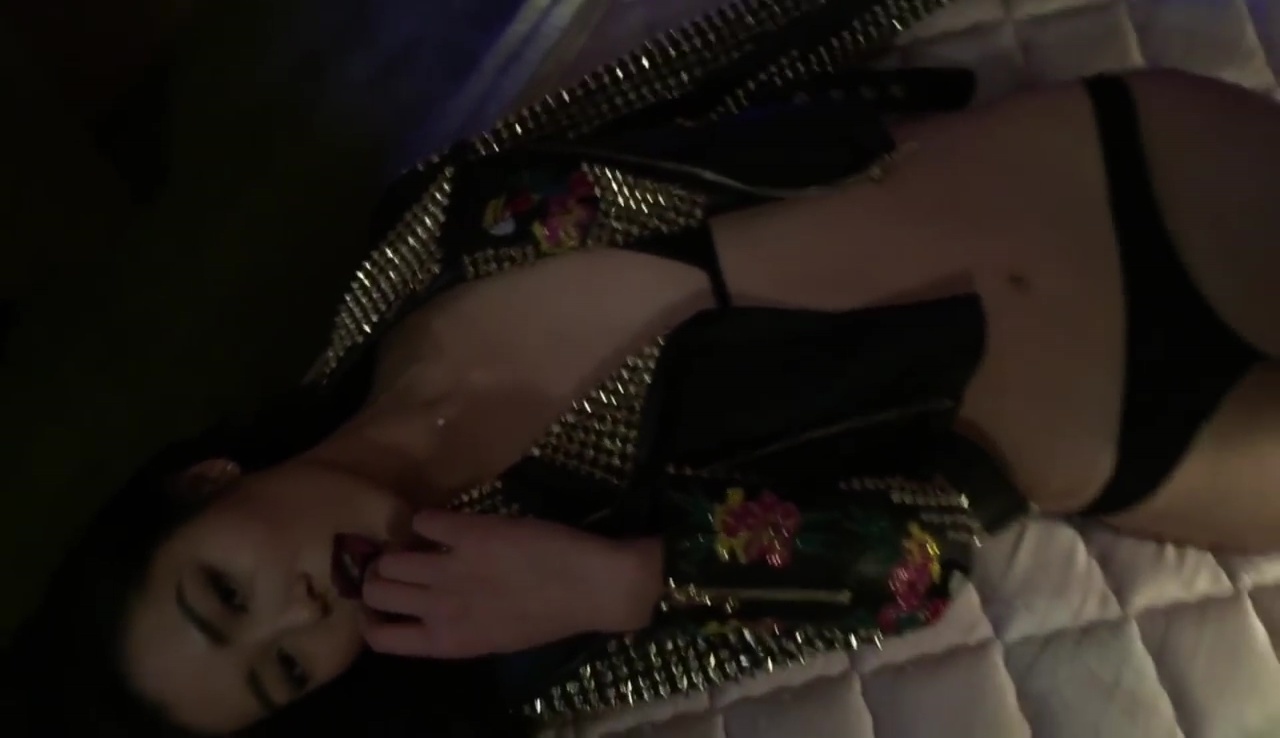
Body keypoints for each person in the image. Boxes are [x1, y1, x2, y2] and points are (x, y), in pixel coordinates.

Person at [9, 4, 1280, 737]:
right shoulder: (507, 617)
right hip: (1151, 418)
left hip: (1120, 158)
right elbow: (912, 561)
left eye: (225, 593)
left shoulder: (414, 249)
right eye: (284, 670)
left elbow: (684, 93)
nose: (300, 613)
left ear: (206, 483)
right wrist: (620, 580)